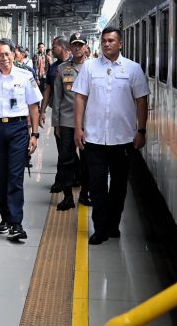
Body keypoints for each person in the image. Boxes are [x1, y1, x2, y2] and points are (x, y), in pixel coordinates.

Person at [73, 27, 149, 245]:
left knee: (118, 186)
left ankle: (113, 224)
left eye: (111, 41)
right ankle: (100, 228)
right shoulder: (89, 67)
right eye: (104, 41)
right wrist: (78, 128)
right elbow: (80, 98)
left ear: (120, 44)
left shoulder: (133, 69)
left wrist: (141, 131)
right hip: (94, 138)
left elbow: (142, 101)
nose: (107, 44)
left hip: (123, 138)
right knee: (97, 185)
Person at [0, 39, 42, 242]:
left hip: (18, 129)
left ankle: (16, 223)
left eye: (7, 54)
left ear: (14, 54)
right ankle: (5, 219)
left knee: (15, 176)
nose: (4, 58)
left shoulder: (25, 76)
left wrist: (34, 134)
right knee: (2, 176)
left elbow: (34, 107)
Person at [52, 33, 91, 209]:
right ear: (70, 47)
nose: (76, 48)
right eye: (74, 45)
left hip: (89, 122)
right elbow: (57, 97)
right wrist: (56, 124)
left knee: (87, 160)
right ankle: (68, 196)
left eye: (80, 45)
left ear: (85, 47)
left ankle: (84, 194)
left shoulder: (92, 68)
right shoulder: (62, 69)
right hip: (67, 121)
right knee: (66, 158)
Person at [41, 36, 72, 193]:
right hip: (60, 114)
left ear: (63, 47)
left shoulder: (76, 64)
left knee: (74, 150)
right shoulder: (53, 68)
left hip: (79, 115)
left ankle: (74, 177)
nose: (51, 49)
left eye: (54, 46)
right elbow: (48, 89)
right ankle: (62, 180)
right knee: (63, 149)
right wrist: (43, 110)